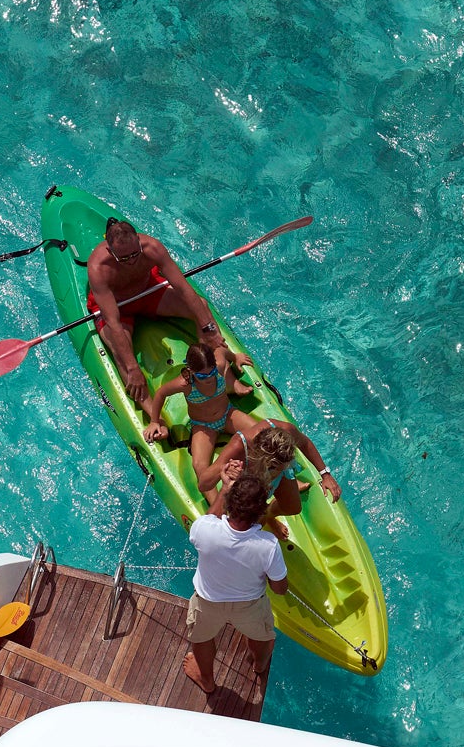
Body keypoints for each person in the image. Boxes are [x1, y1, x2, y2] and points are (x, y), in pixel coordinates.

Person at [86, 215, 247, 404]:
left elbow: (185, 289)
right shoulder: (98, 267)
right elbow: (112, 321)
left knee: (201, 308)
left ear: (138, 240)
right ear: (109, 249)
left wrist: (208, 328)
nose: (130, 261)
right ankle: (154, 420)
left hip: (149, 292)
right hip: (118, 307)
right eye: (123, 258)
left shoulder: (153, 247)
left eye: (134, 254)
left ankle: (225, 377)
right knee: (120, 351)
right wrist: (132, 367)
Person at [184, 474, 287, 694]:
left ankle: (207, 680)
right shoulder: (269, 545)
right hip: (249, 607)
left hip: (207, 603)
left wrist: (224, 490)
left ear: (230, 503)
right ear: (262, 511)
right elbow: (280, 589)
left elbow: (209, 520)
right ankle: (259, 666)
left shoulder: (205, 529)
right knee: (262, 637)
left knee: (201, 639)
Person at [202, 419, 340, 539]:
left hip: (274, 471)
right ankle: (263, 517)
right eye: (278, 467)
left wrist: (325, 474)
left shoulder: (286, 431)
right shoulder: (240, 446)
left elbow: (305, 443)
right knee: (252, 524)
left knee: (293, 508)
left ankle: (269, 514)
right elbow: (203, 484)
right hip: (248, 481)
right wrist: (225, 470)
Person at [140, 343, 250, 485]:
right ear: (191, 371)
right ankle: (217, 503)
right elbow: (161, 393)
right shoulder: (185, 384)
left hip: (228, 414)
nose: (208, 378)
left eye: (211, 373)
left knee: (262, 433)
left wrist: (236, 357)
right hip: (204, 426)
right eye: (202, 376)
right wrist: (154, 421)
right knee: (199, 466)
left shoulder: (220, 366)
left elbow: (221, 351)